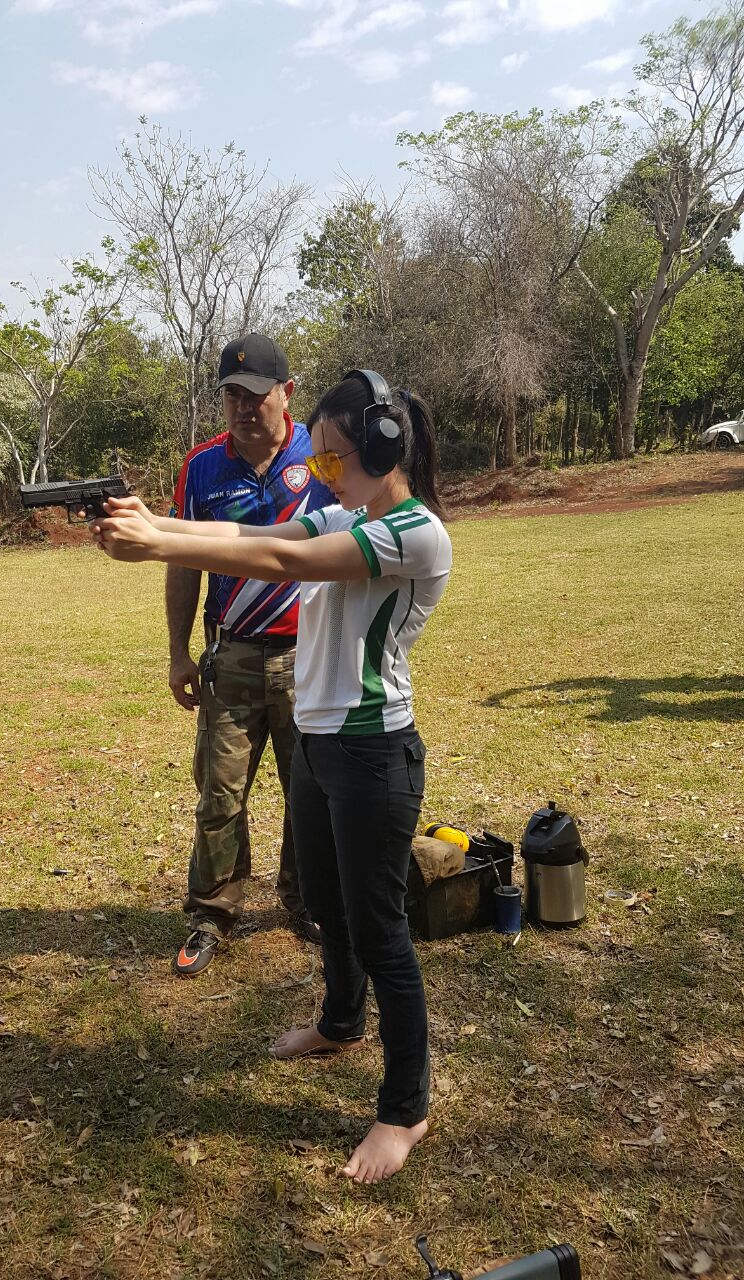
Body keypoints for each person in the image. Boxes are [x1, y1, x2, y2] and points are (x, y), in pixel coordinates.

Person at [91, 368, 451, 1184]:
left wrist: (159, 541)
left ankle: (405, 1109)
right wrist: (162, 524)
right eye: (315, 461)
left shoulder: (414, 533)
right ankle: (339, 1022)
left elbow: (285, 561)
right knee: (326, 905)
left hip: (372, 753)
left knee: (380, 930)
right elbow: (251, 538)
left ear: (384, 449)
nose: (318, 474)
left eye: (331, 459)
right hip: (326, 747)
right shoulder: (347, 509)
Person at [164, 334, 336, 977]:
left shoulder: (321, 459)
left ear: (286, 394)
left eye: (255, 395)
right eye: (231, 394)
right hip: (231, 659)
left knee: (310, 792)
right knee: (219, 795)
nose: (242, 407)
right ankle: (211, 912)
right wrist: (179, 653)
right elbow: (183, 561)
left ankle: (309, 900)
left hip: (309, 657)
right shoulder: (200, 467)